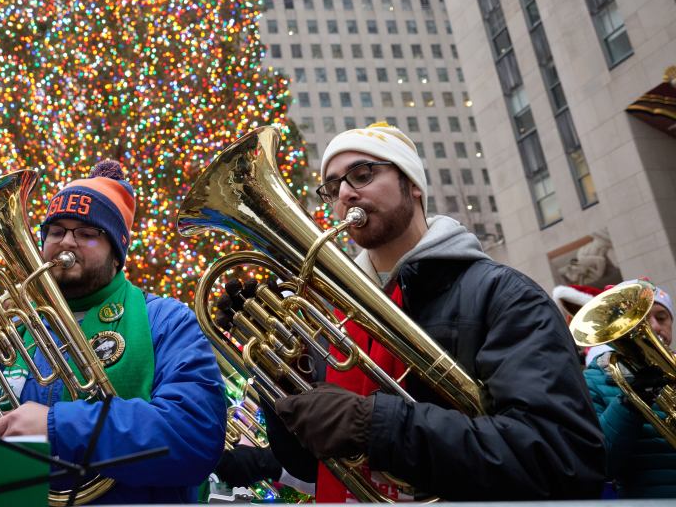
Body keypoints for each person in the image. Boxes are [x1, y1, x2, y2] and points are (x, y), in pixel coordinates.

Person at [217, 122, 604, 501]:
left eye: (362, 174)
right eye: (333, 188)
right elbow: (307, 466)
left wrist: (374, 423)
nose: (346, 194)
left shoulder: (505, 295)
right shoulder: (334, 316)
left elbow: (562, 458)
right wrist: (283, 376)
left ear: (413, 184)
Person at [0, 160, 226, 503]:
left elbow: (195, 435)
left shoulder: (166, 319)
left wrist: (58, 426)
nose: (66, 242)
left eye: (87, 233)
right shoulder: (14, 324)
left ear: (117, 253)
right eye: (56, 231)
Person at [582, 279, 675, 498]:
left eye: (661, 318)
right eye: (641, 319)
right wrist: (631, 402)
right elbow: (599, 464)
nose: (653, 326)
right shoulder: (594, 380)